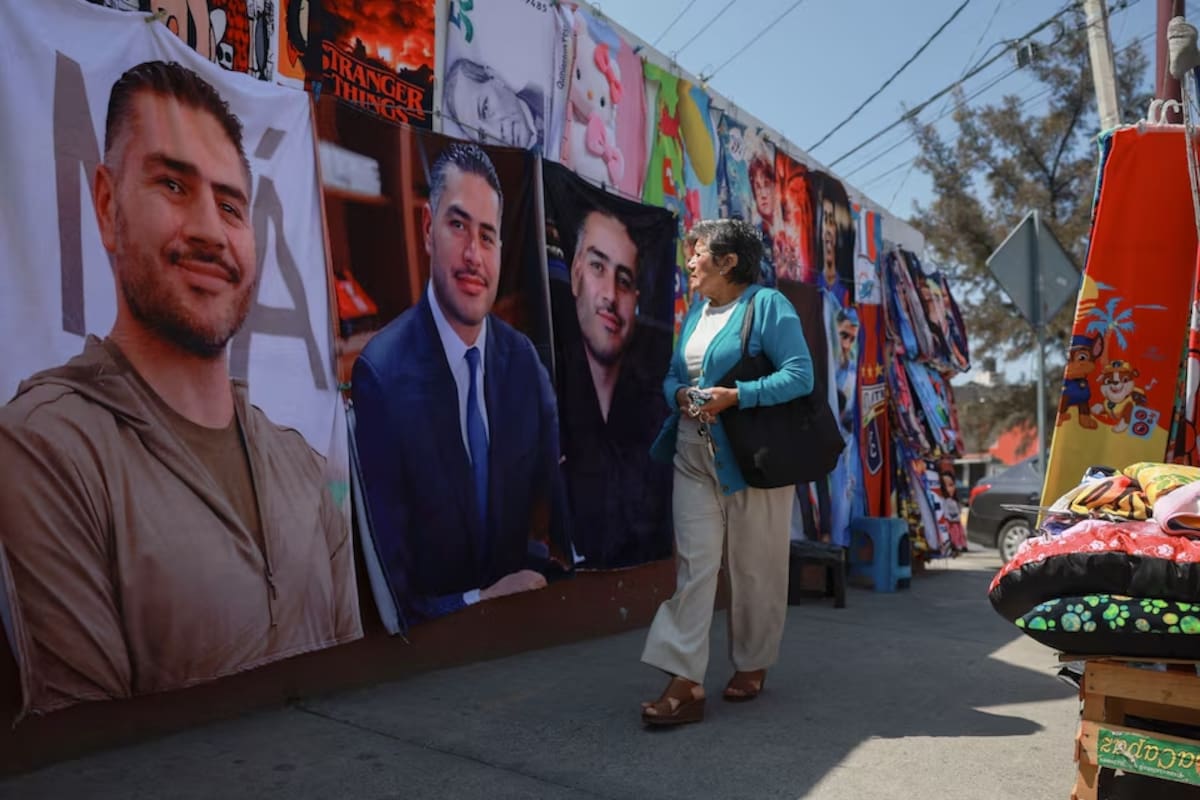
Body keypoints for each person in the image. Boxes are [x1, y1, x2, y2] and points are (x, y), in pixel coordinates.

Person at [0, 61, 361, 716]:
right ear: (108, 208)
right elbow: (91, 766)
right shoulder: (44, 450)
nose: (210, 231)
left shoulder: (307, 473)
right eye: (173, 184)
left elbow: (363, 715)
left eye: (230, 206)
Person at [352, 142, 569, 622]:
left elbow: (559, 505)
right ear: (429, 229)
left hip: (523, 640)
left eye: (488, 236)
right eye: (458, 226)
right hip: (435, 660)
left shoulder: (523, 360)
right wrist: (481, 603)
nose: (474, 255)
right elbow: (394, 592)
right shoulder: (381, 376)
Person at [640, 218, 814, 726]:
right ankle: (685, 680)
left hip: (752, 460)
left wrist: (737, 396)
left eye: (698, 252)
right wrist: (678, 394)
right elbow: (676, 373)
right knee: (694, 569)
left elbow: (800, 374)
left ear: (728, 260)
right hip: (692, 455)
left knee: (754, 566)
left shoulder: (767, 306)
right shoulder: (697, 315)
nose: (690, 260)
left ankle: (754, 660)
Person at [556, 209, 673, 568]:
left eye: (623, 281)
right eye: (597, 267)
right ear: (575, 273)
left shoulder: (657, 411)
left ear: (637, 300)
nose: (609, 294)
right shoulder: (543, 390)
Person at [443, 58, 544, 151]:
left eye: (485, 109)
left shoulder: (545, 87)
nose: (497, 135)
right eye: (482, 135)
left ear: (495, 77)